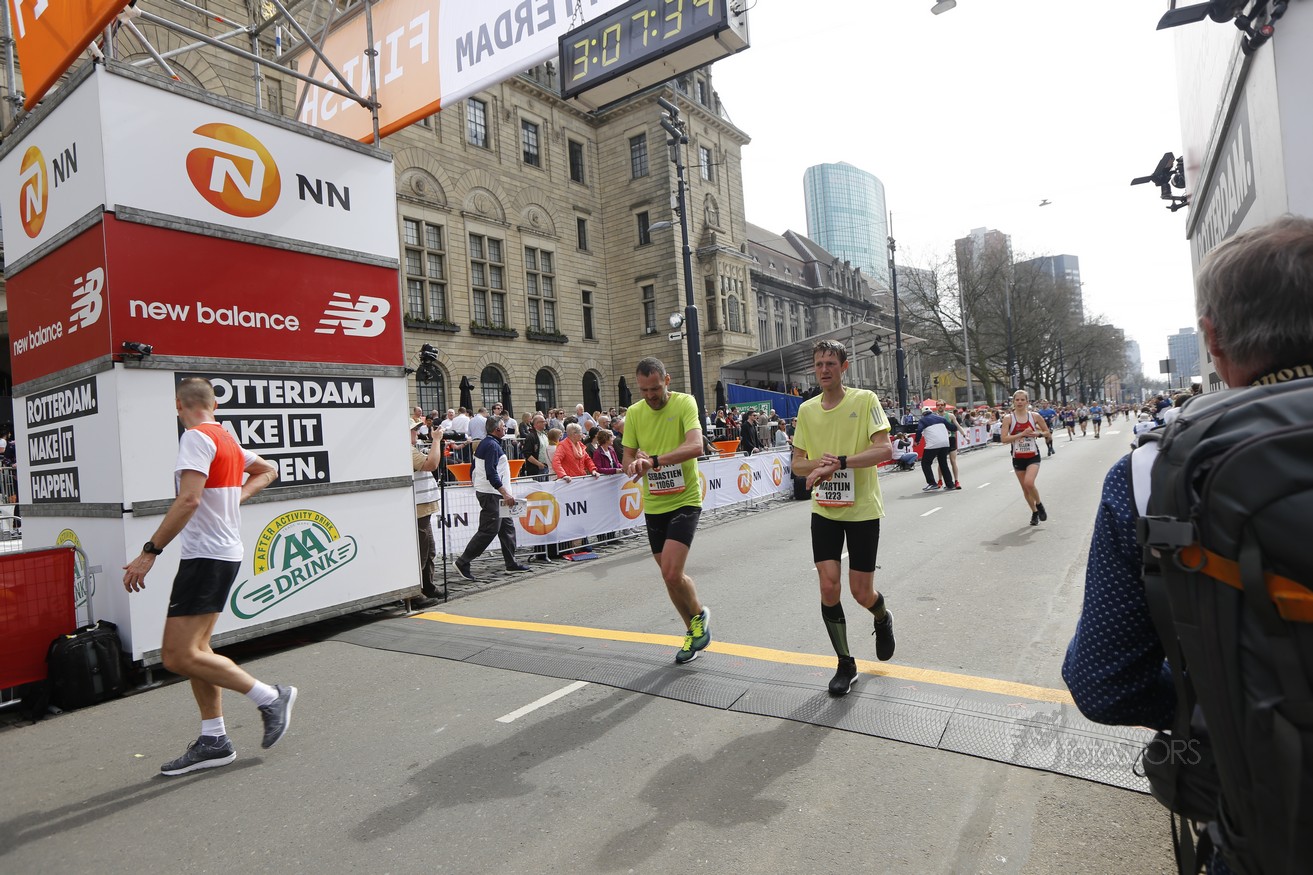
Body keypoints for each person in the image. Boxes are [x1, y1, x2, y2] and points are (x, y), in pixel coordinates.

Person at [1062, 216, 1313, 872]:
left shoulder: (1151, 473)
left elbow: (1103, 682)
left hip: (1272, 821)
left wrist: (1219, 688)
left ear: (1212, 339)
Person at [121, 377, 291, 776]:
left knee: (177, 656)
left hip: (207, 557)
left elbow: (189, 499)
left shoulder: (196, 438)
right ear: (214, 405)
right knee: (198, 651)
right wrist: (235, 497)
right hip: (220, 555)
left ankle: (270, 697)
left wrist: (149, 552)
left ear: (178, 406)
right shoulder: (226, 439)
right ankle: (214, 739)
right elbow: (269, 469)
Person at [791, 339, 896, 695]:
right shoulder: (807, 410)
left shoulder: (865, 400)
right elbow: (797, 464)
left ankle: (882, 617)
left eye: (831, 364)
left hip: (862, 509)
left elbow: (884, 448)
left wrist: (841, 463)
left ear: (844, 367)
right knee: (828, 585)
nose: (824, 370)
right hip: (825, 509)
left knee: (861, 592)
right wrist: (818, 466)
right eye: (819, 364)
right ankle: (845, 663)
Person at [621, 358, 710, 665]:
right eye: (644, 390)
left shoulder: (685, 403)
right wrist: (634, 465)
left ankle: (698, 616)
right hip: (655, 503)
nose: (650, 396)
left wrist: (655, 460)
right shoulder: (635, 412)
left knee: (672, 571)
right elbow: (626, 459)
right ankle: (693, 629)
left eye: (655, 389)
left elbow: (696, 446)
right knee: (670, 577)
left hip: (685, 499)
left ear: (667, 381)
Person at [453, 416, 530, 581]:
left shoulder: (486, 443)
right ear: (497, 429)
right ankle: (462, 561)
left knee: (507, 528)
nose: (506, 428)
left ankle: (511, 563)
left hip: (493, 493)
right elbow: (491, 472)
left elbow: (475, 468)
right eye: (503, 426)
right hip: (492, 494)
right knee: (489, 530)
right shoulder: (492, 445)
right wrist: (505, 492)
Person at [1002, 389, 1050, 526]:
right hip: (1018, 457)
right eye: (1017, 400)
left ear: (1027, 402)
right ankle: (1034, 512)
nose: (1020, 402)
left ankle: (1039, 504)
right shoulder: (1008, 418)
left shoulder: (1034, 416)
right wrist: (1021, 434)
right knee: (1025, 489)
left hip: (1032, 455)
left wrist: (1037, 434)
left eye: (1022, 400)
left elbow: (1047, 432)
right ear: (1013, 402)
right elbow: (1004, 439)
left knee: (1029, 483)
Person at [411, 417, 442, 609]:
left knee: (429, 549)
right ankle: (415, 591)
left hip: (423, 506)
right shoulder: (406, 450)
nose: (416, 432)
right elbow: (431, 464)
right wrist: (436, 440)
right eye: (413, 430)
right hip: (418, 507)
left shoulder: (411, 449)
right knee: (422, 551)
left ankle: (427, 586)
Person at [915, 405, 951, 491]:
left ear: (923, 414)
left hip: (933, 444)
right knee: (943, 464)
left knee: (925, 463)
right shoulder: (941, 418)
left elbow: (919, 430)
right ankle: (950, 484)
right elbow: (951, 427)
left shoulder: (923, 420)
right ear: (931, 411)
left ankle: (932, 483)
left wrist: (917, 441)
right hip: (945, 443)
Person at [522, 413, 552, 481]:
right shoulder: (531, 436)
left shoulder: (545, 434)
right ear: (536, 424)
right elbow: (527, 454)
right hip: (537, 469)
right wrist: (539, 464)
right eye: (543, 421)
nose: (545, 423)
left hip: (547, 467)